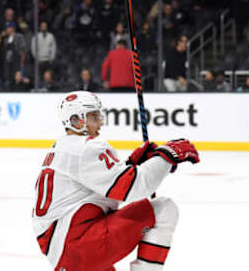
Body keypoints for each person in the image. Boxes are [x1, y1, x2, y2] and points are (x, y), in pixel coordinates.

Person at [32, 91, 200, 271]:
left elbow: (100, 189)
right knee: (164, 209)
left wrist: (132, 165)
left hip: (68, 253)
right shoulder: (86, 147)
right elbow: (136, 186)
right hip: (80, 244)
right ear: (76, 121)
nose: (101, 122)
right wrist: (167, 155)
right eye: (94, 116)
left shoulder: (62, 148)